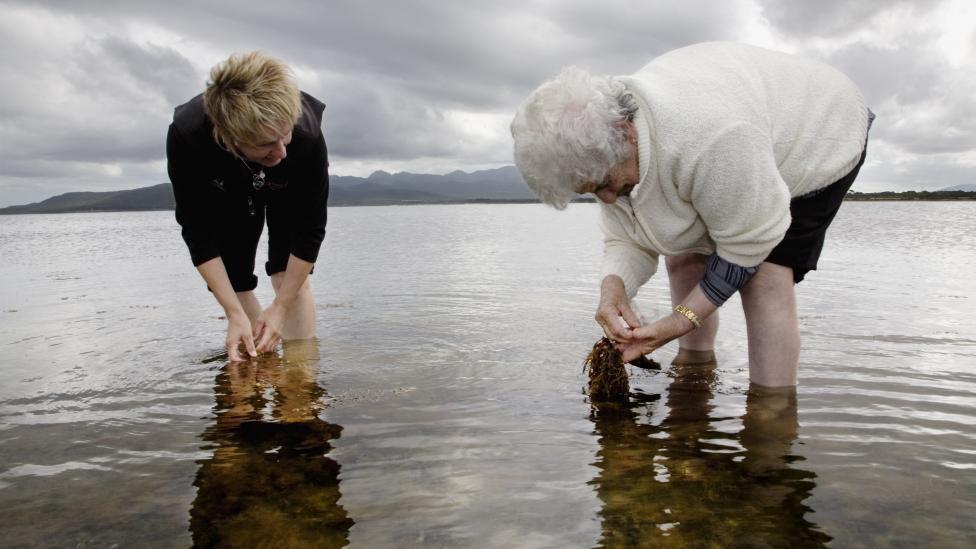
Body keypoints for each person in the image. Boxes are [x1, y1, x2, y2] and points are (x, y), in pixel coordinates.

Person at [511, 42, 873, 387]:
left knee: (766, 275)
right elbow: (628, 235)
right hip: (735, 132)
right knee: (681, 254)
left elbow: (748, 247)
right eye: (590, 192)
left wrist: (678, 322)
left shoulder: (711, 137)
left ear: (625, 134)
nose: (606, 198)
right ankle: (695, 370)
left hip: (823, 130)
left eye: (604, 183)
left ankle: (772, 409)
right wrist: (614, 286)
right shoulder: (608, 146)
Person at [167, 51, 329, 361]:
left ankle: (299, 384)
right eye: (267, 144)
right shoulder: (187, 137)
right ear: (228, 137)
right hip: (226, 185)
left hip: (289, 186)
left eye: (284, 135)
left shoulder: (306, 134)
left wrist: (280, 308)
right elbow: (197, 231)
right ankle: (260, 363)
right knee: (234, 279)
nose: (280, 151)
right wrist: (232, 312)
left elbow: (310, 231)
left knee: (287, 278)